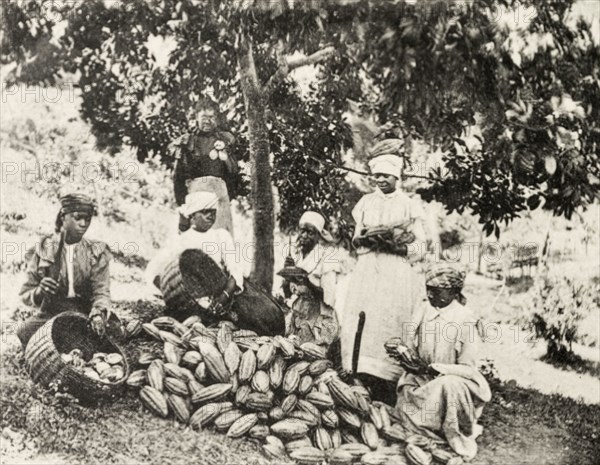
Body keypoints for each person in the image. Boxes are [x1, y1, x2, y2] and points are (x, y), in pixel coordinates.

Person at [339, 141, 428, 404]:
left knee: (392, 320)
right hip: (368, 270)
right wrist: (367, 240)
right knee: (364, 321)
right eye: (376, 175)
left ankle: (389, 380)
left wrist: (394, 244)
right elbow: (356, 240)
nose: (380, 180)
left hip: (397, 274)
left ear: (397, 177)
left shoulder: (408, 205)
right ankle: (360, 375)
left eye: (386, 176)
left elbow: (420, 246)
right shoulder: (366, 203)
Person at [393, 264, 491, 461]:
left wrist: (433, 368)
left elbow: (467, 370)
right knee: (406, 385)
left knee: (447, 386)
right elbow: (411, 345)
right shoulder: (423, 311)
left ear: (454, 291)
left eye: (436, 291)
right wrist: (406, 357)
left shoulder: (465, 320)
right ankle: (422, 427)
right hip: (423, 379)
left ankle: (447, 431)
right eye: (428, 289)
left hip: (455, 381)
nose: (430, 295)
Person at [17, 193, 122, 348]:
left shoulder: (96, 251)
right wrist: (40, 292)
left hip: (85, 313)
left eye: (88, 219)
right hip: (53, 314)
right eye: (77, 217)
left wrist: (98, 313)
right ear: (63, 217)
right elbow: (26, 293)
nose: (83, 224)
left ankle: (73, 342)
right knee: (25, 331)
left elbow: (101, 291)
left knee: (114, 331)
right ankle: (74, 343)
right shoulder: (43, 249)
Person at [146, 191, 243, 317]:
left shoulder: (220, 236)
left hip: (220, 296)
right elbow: (154, 270)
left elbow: (235, 270)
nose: (210, 216)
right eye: (204, 212)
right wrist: (173, 293)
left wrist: (223, 297)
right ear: (192, 215)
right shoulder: (181, 240)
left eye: (213, 212)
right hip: (192, 304)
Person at [171, 98, 238, 235]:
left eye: (212, 117)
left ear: (217, 119)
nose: (208, 121)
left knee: (221, 238)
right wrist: (183, 203)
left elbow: (233, 172)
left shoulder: (225, 140)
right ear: (196, 117)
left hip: (219, 198)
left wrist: (225, 197)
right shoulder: (188, 141)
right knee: (195, 240)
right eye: (204, 117)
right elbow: (178, 176)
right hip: (196, 198)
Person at [277, 263, 339, 351]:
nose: (295, 290)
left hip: (316, 354)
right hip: (296, 351)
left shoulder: (327, 312)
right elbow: (290, 330)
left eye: (298, 282)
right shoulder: (297, 305)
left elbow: (328, 340)